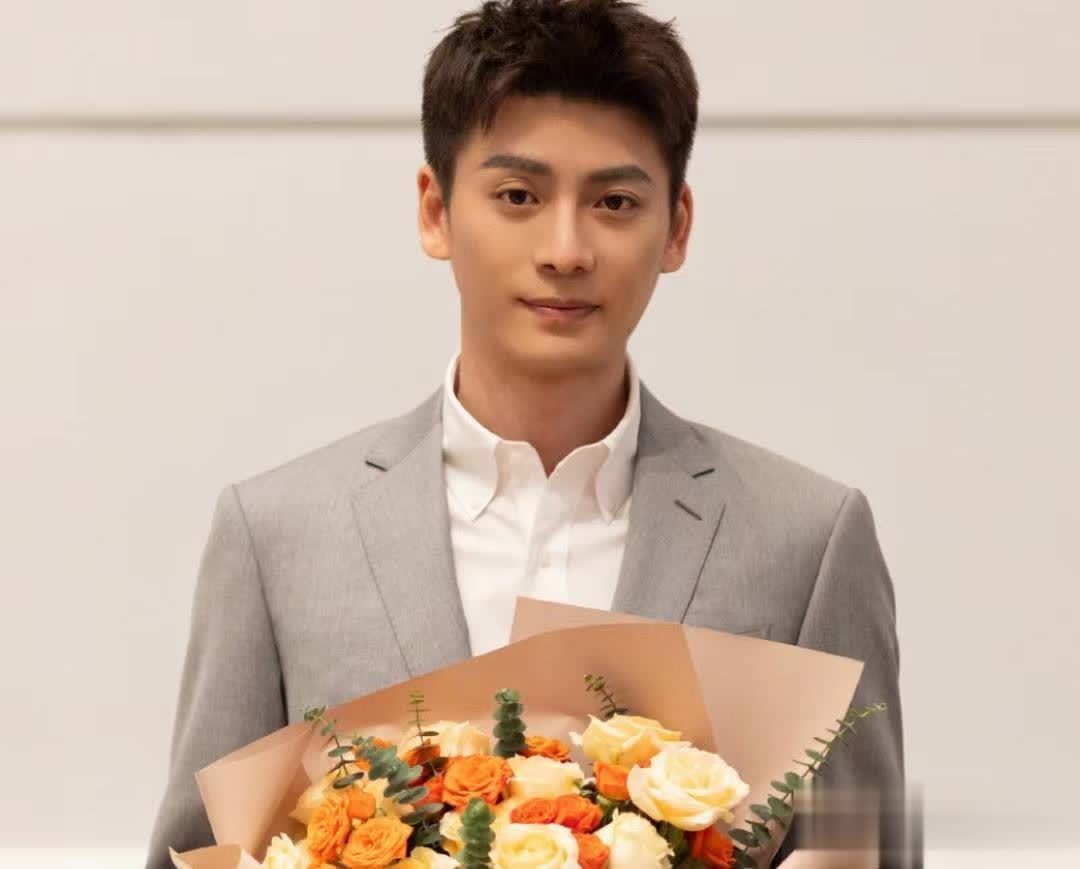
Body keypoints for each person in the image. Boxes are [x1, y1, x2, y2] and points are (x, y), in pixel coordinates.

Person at [146, 1, 904, 866]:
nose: (566, 249)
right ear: (435, 211)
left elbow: (867, 851)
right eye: (518, 196)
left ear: (676, 227)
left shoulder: (806, 537)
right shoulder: (277, 533)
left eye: (615, 201)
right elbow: (195, 852)